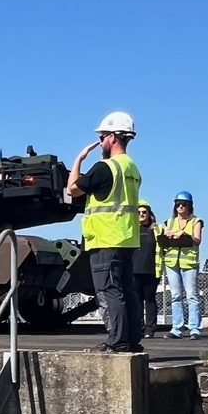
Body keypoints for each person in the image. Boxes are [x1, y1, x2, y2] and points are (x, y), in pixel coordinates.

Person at [67, 111, 142, 353]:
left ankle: (117, 343)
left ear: (112, 137)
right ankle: (131, 341)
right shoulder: (132, 168)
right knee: (126, 292)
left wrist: (79, 159)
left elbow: (72, 190)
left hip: (105, 239)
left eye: (102, 137)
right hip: (126, 239)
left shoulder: (104, 167)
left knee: (109, 292)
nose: (100, 142)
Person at [159, 191, 205, 339]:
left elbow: (197, 240)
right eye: (178, 204)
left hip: (189, 262)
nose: (180, 207)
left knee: (192, 295)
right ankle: (177, 328)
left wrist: (184, 235)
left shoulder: (196, 221)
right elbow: (162, 240)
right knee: (176, 296)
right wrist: (168, 235)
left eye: (183, 204)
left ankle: (194, 328)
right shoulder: (168, 222)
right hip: (172, 262)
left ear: (189, 206)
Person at [132, 200, 162, 338]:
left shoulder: (156, 229)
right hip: (133, 270)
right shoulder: (131, 229)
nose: (142, 214)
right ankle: (138, 328)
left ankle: (150, 330)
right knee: (136, 301)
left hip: (151, 270)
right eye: (139, 212)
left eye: (144, 212)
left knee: (149, 299)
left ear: (149, 214)